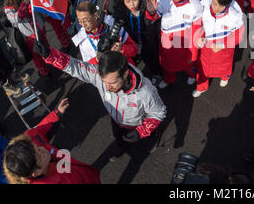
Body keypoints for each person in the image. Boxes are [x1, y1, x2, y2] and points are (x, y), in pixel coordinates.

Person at [33, 41, 167, 160]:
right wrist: (50, 55)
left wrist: (141, 131)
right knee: (119, 138)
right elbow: (76, 67)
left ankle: (152, 139)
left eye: (112, 83)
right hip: (116, 121)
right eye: (104, 82)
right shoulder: (100, 76)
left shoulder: (145, 92)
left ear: (125, 74)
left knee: (147, 139)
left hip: (138, 124)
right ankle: (122, 147)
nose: (107, 88)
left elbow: (159, 112)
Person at [3, 98, 101, 184]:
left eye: (37, 147)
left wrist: (57, 114)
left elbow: (40, 130)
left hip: (86, 174)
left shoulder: (30, 139)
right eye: (40, 155)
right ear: (35, 173)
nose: (42, 149)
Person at [145, 0, 203, 89]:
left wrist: (194, 53)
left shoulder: (196, 6)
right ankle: (169, 79)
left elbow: (197, 31)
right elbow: (155, 17)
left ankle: (192, 75)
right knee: (167, 64)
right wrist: (151, 12)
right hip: (167, 40)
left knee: (188, 63)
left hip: (185, 42)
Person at [193, 0, 244, 97]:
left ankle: (225, 76)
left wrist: (223, 45)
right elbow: (198, 24)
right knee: (202, 67)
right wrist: (200, 36)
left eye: (221, 6)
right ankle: (202, 87)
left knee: (224, 66)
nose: (216, 8)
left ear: (228, 5)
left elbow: (239, 36)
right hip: (206, 46)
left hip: (224, 49)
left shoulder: (235, 16)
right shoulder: (204, 6)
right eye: (215, 3)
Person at [3, 0, 50, 76]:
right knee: (37, 55)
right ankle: (44, 71)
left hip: (39, 28)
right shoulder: (8, 8)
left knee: (47, 48)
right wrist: (25, 4)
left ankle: (52, 62)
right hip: (29, 36)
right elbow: (16, 18)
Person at [72, 1, 138, 65]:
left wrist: (121, 49)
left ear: (95, 15)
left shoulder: (112, 25)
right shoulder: (82, 40)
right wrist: (97, 60)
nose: (83, 24)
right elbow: (88, 67)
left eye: (85, 20)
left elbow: (134, 49)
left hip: (124, 67)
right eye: (79, 21)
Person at [121, 0, 161, 83]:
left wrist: (151, 13)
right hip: (134, 44)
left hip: (149, 41)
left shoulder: (146, 9)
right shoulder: (123, 14)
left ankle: (158, 74)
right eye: (128, 1)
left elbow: (151, 22)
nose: (132, 4)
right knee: (145, 61)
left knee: (154, 58)